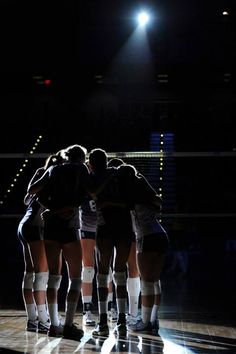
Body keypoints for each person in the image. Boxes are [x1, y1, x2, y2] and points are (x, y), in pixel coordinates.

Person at [27, 144, 89, 341]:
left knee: (54, 277)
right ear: (82, 158)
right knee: (76, 278)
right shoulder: (81, 169)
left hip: (51, 228)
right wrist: (68, 207)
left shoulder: (53, 169)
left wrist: (53, 209)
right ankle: (69, 324)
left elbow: (32, 191)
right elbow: (88, 193)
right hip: (69, 227)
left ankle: (54, 325)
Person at [116, 164, 169, 335]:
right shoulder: (145, 193)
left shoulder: (127, 197)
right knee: (154, 281)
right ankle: (153, 320)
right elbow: (159, 202)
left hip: (146, 238)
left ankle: (145, 323)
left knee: (146, 283)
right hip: (161, 235)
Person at [88, 148, 134, 338]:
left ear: (91, 163)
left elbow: (93, 199)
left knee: (102, 273)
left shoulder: (94, 178)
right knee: (120, 272)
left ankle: (103, 323)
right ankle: (121, 322)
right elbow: (131, 203)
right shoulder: (121, 176)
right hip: (124, 227)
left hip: (106, 227)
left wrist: (107, 204)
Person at [17, 153, 63, 333]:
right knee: (41, 275)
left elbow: (26, 199)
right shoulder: (55, 180)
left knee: (30, 274)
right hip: (37, 227)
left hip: (25, 225)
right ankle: (44, 320)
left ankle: (32, 319)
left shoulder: (40, 176)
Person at [107, 158, 141, 324]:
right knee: (118, 270)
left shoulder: (130, 186)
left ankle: (131, 313)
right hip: (119, 230)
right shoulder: (109, 186)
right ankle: (119, 310)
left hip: (129, 230)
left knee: (127, 270)